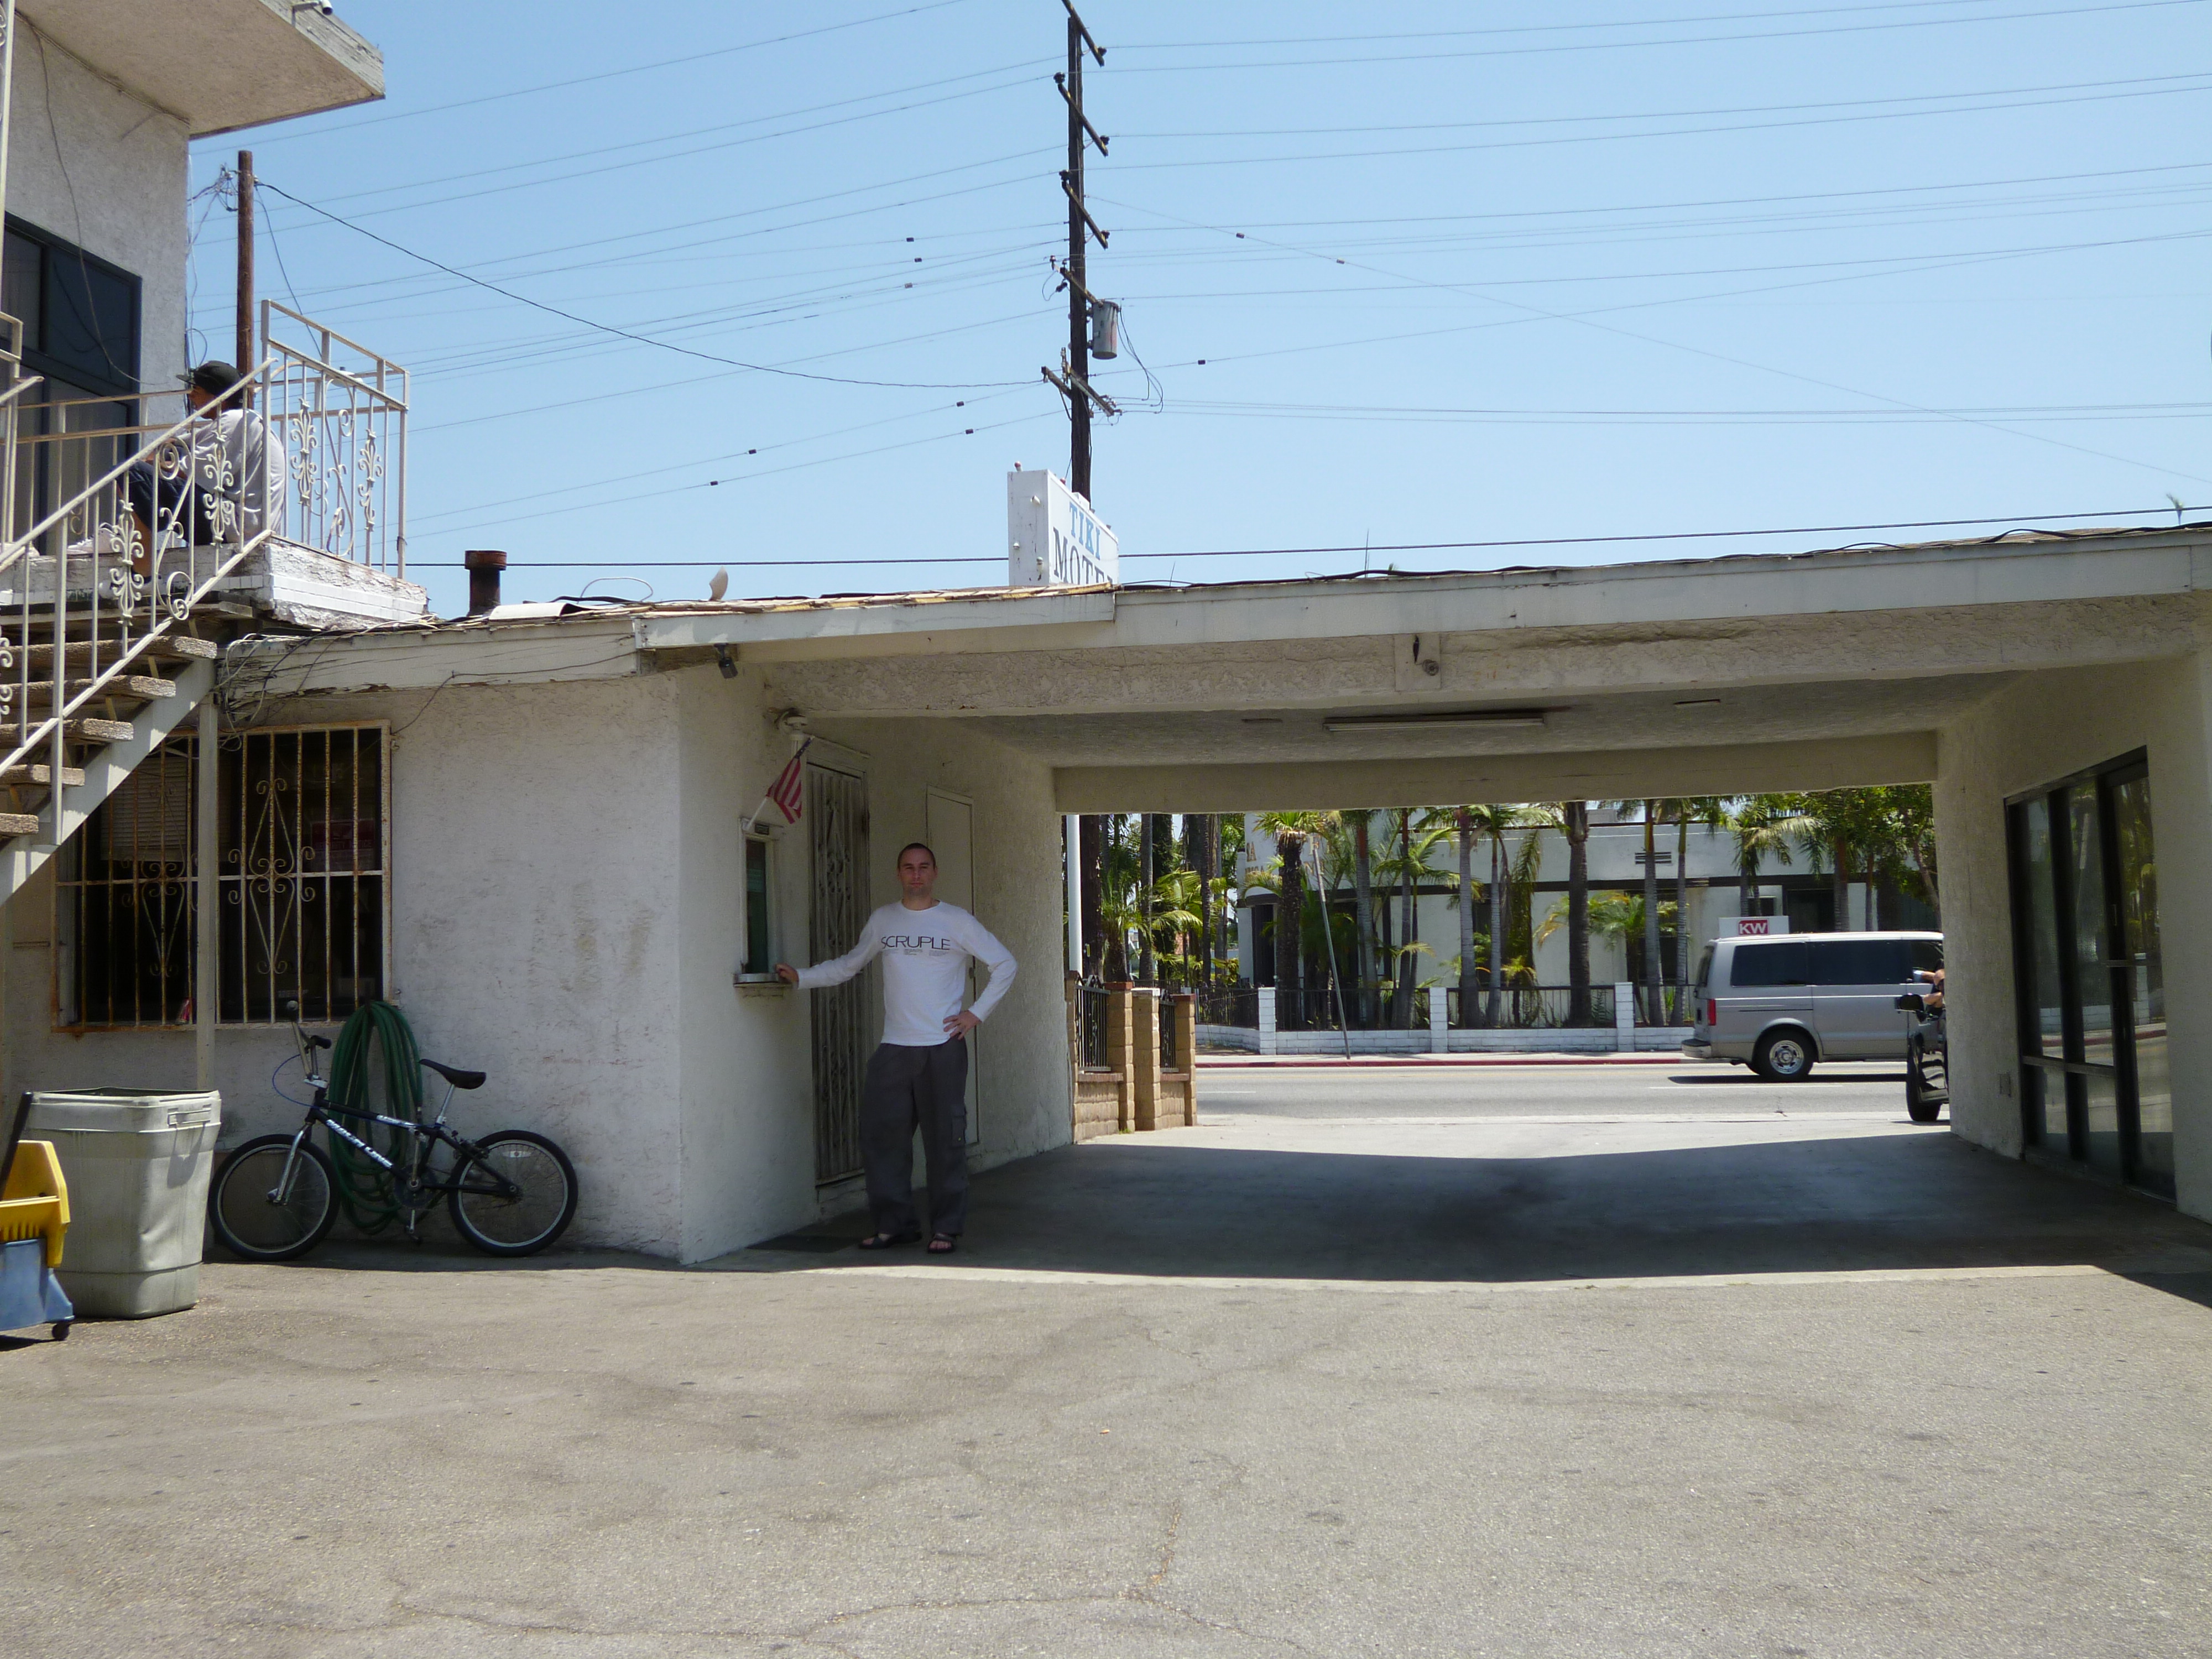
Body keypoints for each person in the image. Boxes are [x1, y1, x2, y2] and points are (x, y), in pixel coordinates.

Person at [776, 843, 1015, 1255]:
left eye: (923, 867)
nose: (916, 874)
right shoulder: (884, 920)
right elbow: (850, 965)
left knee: (945, 1144)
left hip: (942, 1047)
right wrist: (802, 977)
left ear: (935, 872)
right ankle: (894, 1226)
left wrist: (975, 1014)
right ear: (899, 873)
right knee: (883, 1141)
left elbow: (1005, 964)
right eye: (908, 867)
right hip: (895, 1049)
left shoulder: (957, 921)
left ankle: (945, 1229)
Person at [121, 361, 286, 555]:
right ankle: (129, 536)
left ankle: (139, 557)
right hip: (242, 525)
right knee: (152, 467)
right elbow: (173, 443)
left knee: (132, 473)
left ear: (218, 398)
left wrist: (150, 465)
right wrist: (158, 456)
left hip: (237, 527)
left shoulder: (235, 421)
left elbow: (188, 471)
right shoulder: (240, 421)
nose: (191, 395)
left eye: (197, 390)